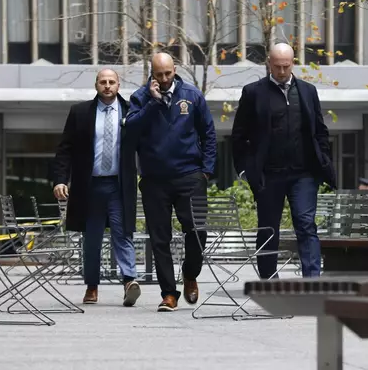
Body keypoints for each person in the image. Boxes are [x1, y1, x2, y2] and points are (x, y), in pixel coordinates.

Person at [231, 42, 337, 279]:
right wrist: (246, 170)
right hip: (269, 174)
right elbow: (239, 136)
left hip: (304, 173)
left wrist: (324, 160)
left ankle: (312, 280)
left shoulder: (308, 91)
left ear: (293, 64)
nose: (281, 71)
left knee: (306, 223)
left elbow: (320, 130)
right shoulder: (253, 92)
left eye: (286, 66)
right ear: (269, 63)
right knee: (269, 228)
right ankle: (269, 280)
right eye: (277, 66)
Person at [124, 52, 216, 312]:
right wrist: (152, 103)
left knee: (197, 231)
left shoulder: (192, 95)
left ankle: (190, 274)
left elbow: (208, 133)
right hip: (155, 179)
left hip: (190, 175)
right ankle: (168, 294)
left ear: (174, 69)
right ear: (151, 74)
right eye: (159, 75)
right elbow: (131, 130)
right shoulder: (141, 98)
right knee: (159, 238)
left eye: (168, 73)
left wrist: (205, 171)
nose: (164, 79)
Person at [52, 69, 141, 307]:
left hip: (118, 186)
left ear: (119, 85)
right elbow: (65, 149)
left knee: (123, 234)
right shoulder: (80, 113)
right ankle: (92, 286)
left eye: (112, 82)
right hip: (90, 186)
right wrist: (61, 179)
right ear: (96, 85)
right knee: (91, 238)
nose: (108, 86)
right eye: (103, 82)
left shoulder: (132, 111)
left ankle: (129, 281)